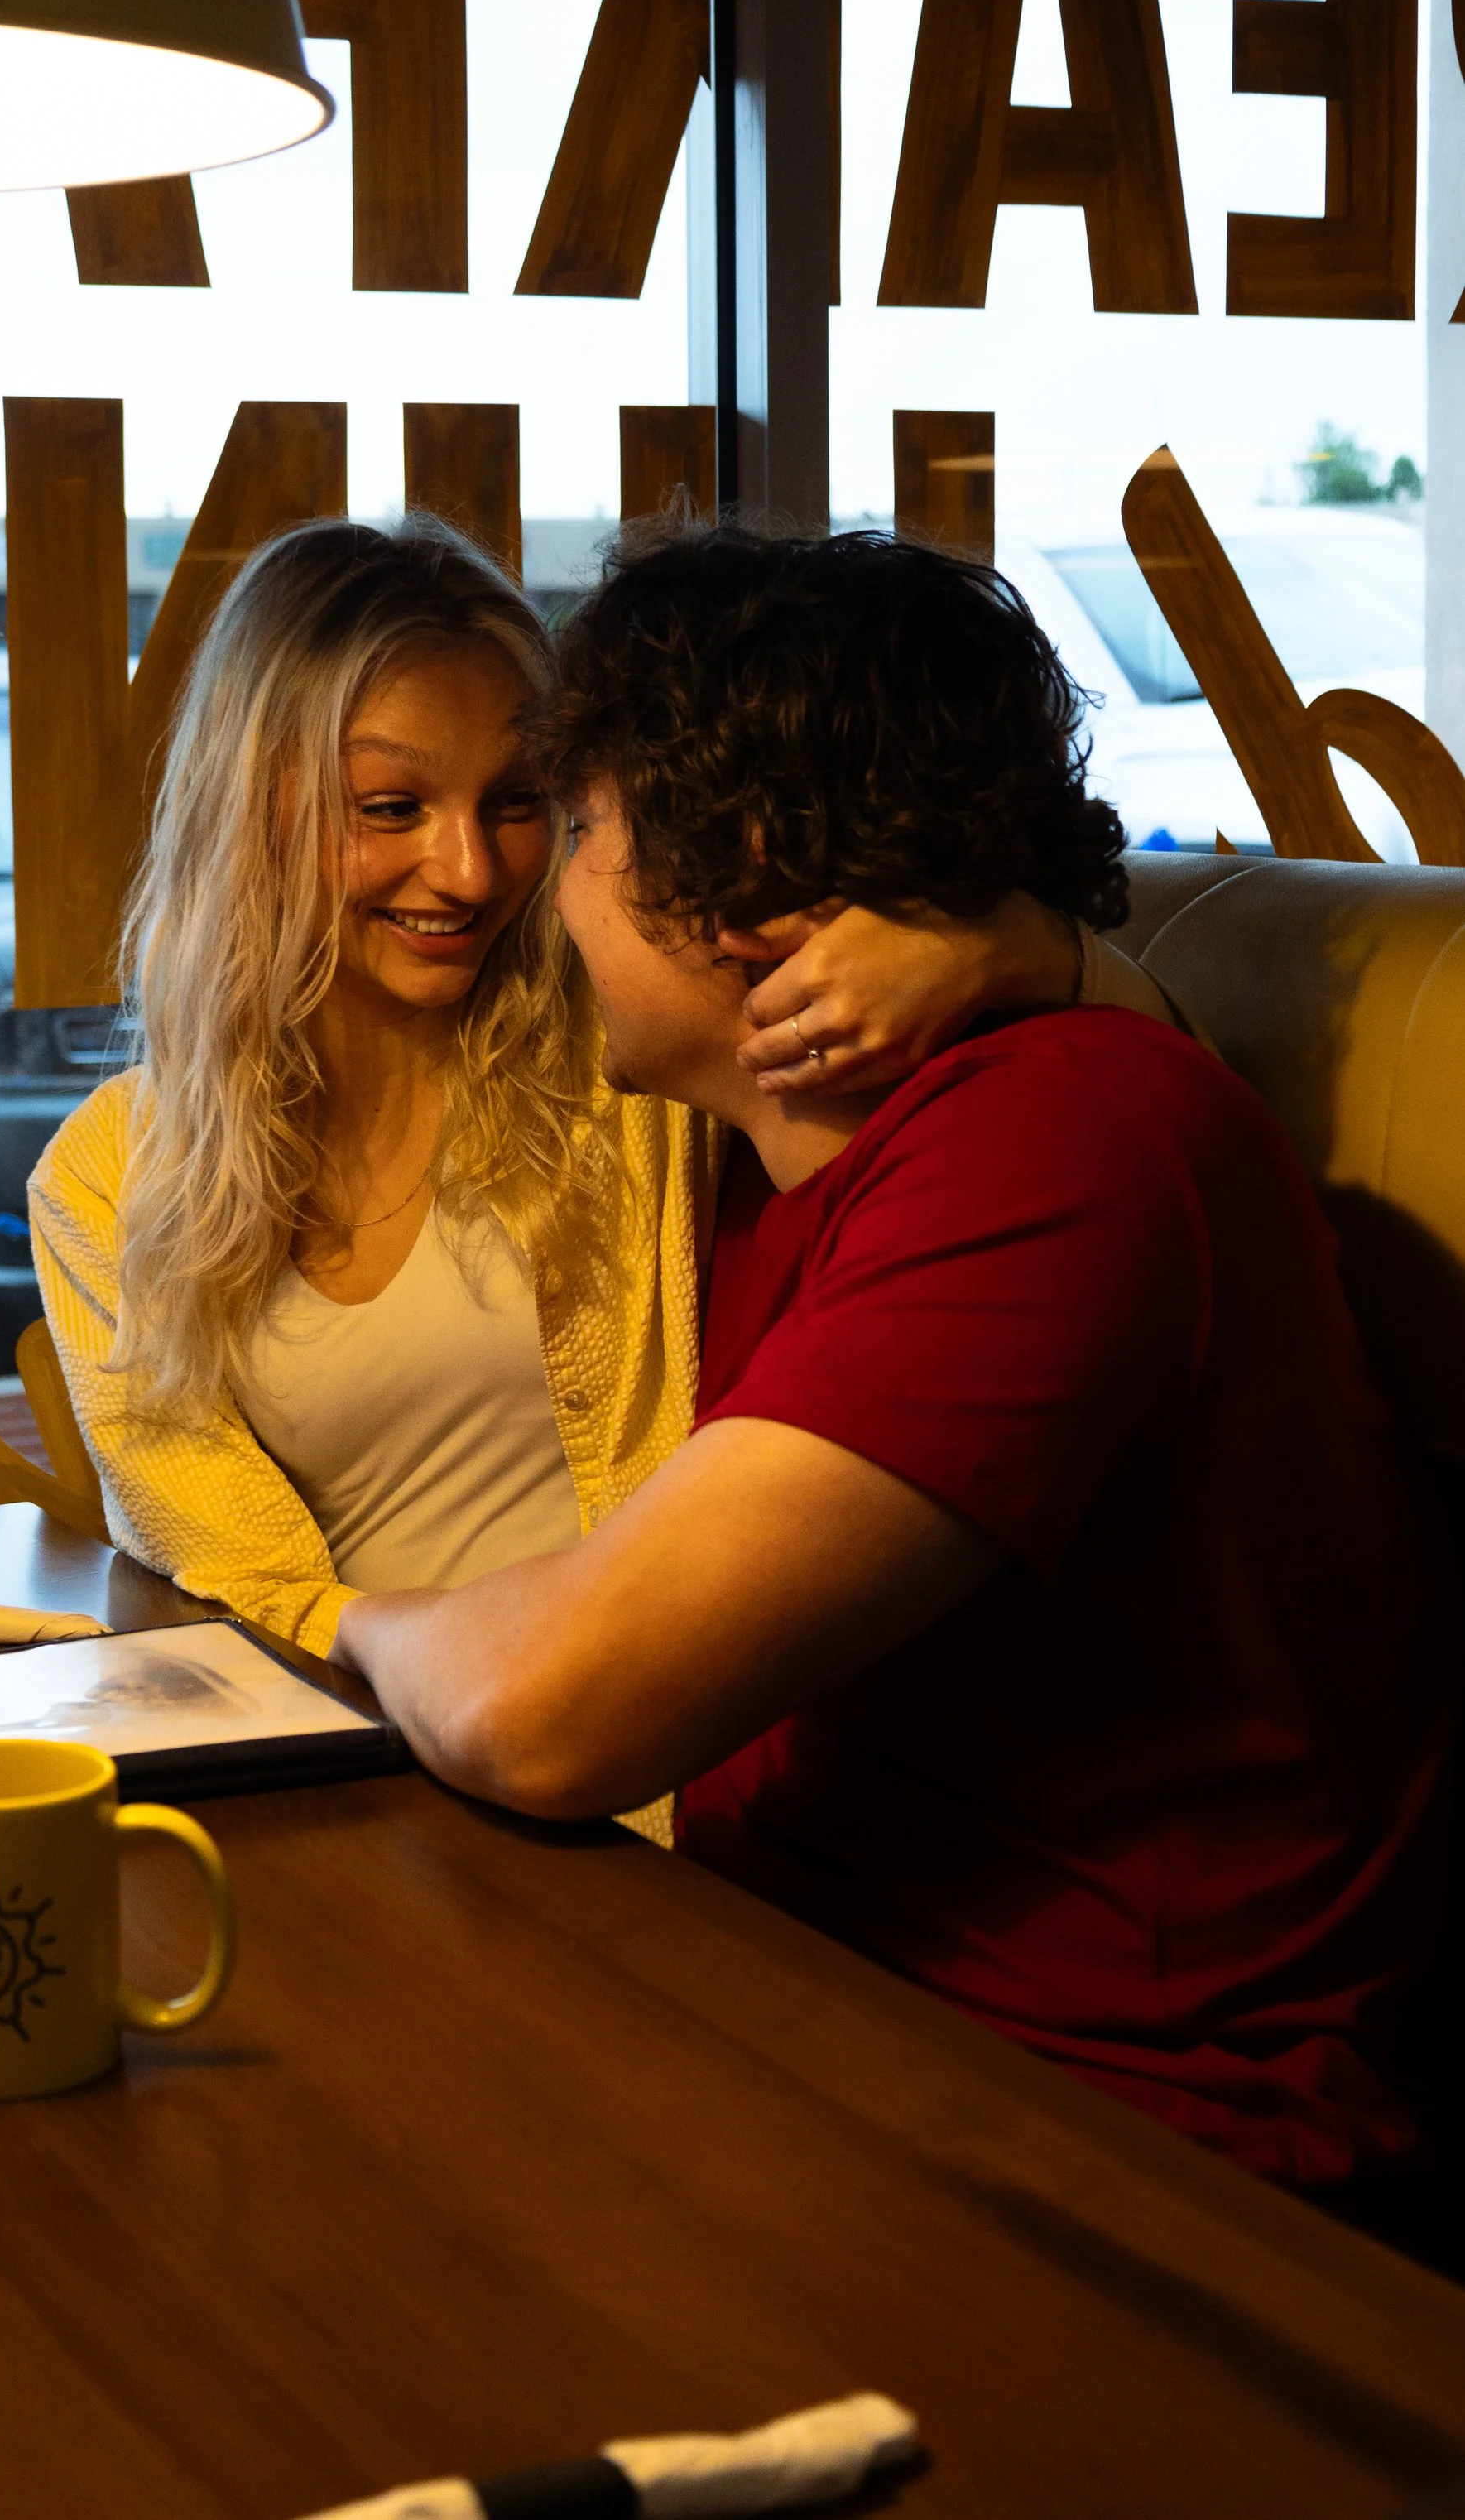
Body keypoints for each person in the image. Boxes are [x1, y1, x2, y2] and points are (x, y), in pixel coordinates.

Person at [334, 524, 1456, 2207]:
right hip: (802, 1998)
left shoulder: (1059, 1139)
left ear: (747, 867)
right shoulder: (740, 1149)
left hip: (1124, 2138)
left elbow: (536, 1712)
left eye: (580, 826)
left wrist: (334, 1626)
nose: (533, 888)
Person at [31, 516, 1160, 1659]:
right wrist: (487, 1699)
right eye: (392, 807)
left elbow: (1137, 1091)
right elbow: (239, 1582)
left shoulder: (629, 1044)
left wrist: (1001, 942)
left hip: (651, 1771)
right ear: (247, 805)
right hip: (370, 1764)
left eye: (521, 802)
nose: (470, 870)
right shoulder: (108, 1177)